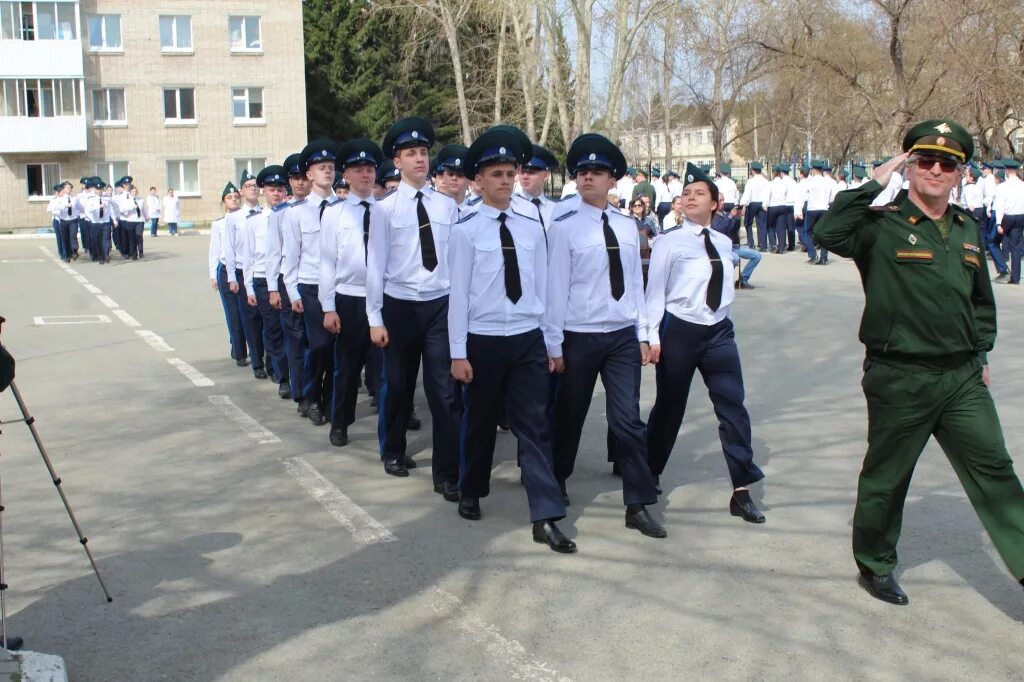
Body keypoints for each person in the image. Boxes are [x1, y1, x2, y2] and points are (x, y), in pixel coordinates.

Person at [814, 119, 1024, 606]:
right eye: (924, 160)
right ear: (909, 167)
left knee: (995, 468)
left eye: (946, 164)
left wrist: (981, 353)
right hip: (900, 375)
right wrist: (876, 180)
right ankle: (875, 563)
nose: (935, 169)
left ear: (959, 174)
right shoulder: (879, 225)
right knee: (888, 476)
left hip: (961, 377)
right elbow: (827, 231)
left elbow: (979, 302)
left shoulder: (968, 229)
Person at [446, 127, 576, 551]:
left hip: (525, 338)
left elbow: (545, 289)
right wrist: (457, 352)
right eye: (495, 174)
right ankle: (471, 487)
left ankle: (545, 514)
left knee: (535, 425)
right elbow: (458, 297)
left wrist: (552, 344)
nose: (504, 180)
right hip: (483, 340)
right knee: (480, 419)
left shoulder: (530, 226)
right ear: (477, 181)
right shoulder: (465, 229)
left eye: (509, 172)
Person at [545, 132, 665, 538]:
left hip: (620, 338)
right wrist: (554, 344)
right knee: (570, 414)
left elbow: (635, 284)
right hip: (578, 335)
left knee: (627, 421)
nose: (587, 178)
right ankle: (557, 478)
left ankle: (638, 503)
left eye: (596, 172)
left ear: (613, 180)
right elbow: (555, 289)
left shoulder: (627, 226)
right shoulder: (563, 226)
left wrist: (644, 334)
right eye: (581, 172)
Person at [646, 163, 766, 525]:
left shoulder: (724, 241)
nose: (690, 198)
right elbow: (655, 293)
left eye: (699, 193)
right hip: (679, 329)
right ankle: (648, 473)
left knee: (733, 407)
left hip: (718, 330)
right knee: (670, 407)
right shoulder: (669, 242)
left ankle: (741, 489)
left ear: (716, 203)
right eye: (686, 194)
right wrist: (651, 336)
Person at [366, 117, 461, 492]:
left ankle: (447, 472)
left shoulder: (446, 206)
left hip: (439, 305)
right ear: (397, 161)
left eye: (423, 152)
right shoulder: (384, 209)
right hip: (400, 305)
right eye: (411, 153)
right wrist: (375, 317)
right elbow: (375, 265)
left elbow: (455, 260)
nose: (420, 159)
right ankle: (392, 450)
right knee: (399, 386)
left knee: (444, 391)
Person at [319, 139, 383, 447]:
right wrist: (328, 306)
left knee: (386, 369)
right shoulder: (335, 213)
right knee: (346, 368)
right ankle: (340, 422)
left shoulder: (387, 211)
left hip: (384, 299)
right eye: (358, 170)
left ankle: (391, 424)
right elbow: (327, 262)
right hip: (349, 298)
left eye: (369, 169)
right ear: (346, 175)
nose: (365, 175)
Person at [283, 140, 338, 426]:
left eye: (331, 167)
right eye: (321, 167)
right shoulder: (297, 213)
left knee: (337, 349)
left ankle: (329, 399)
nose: (327, 171)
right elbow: (290, 258)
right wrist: (292, 292)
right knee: (318, 346)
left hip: (341, 287)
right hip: (311, 286)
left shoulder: (344, 208)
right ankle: (312, 396)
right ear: (309, 175)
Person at [243, 165, 292, 398]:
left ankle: (287, 370)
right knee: (273, 328)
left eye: (281, 189)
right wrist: (249, 286)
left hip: (289, 278)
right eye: (272, 189)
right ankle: (282, 376)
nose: (277, 194)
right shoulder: (254, 221)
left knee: (291, 328)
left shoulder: (292, 214)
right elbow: (248, 256)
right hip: (263, 279)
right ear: (263, 191)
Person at [267, 152, 309, 411]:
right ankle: (302, 393)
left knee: (318, 343)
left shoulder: (325, 208)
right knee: (295, 340)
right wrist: (273, 288)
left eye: (304, 177)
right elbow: (274, 253)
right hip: (289, 282)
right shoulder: (281, 213)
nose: (301, 183)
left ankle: (317, 391)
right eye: (295, 178)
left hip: (318, 283)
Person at [209, 182, 249, 365]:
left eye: (236, 197)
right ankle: (239, 351)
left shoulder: (246, 217)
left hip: (243, 269)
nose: (233, 200)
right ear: (224, 202)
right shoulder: (219, 224)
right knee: (233, 312)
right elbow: (214, 250)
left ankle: (248, 345)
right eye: (229, 198)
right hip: (225, 270)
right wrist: (212, 274)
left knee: (247, 312)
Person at [993, 159, 1024, 284]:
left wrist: (999, 223)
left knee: (994, 242)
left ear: (1007, 170)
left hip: (1008, 217)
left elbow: (1000, 205)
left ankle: (1003, 268)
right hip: (1021, 216)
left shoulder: (1002, 187)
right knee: (1016, 248)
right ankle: (1015, 277)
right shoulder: (1022, 185)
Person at [796, 160, 832, 265]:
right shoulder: (827, 182)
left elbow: (803, 197)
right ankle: (824, 258)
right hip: (824, 209)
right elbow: (831, 197)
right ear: (822, 170)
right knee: (823, 233)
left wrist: (799, 210)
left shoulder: (810, 182)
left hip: (812, 209)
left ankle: (813, 255)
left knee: (807, 233)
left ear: (813, 170)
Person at [739, 161, 769, 249]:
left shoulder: (750, 181)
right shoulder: (765, 181)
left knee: (748, 223)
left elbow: (747, 193)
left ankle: (751, 243)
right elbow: (767, 194)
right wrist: (766, 204)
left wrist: (743, 205)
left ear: (752, 171)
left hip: (752, 204)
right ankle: (763, 244)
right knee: (761, 224)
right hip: (762, 203)